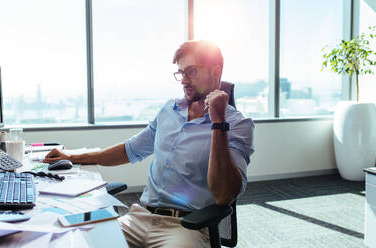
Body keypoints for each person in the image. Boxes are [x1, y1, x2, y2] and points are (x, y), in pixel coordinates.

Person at [44, 40, 255, 247]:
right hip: (139, 218)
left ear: (215, 71)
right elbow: (130, 150)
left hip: (186, 228)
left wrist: (218, 123)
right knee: (76, 240)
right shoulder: (169, 110)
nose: (183, 81)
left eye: (191, 72)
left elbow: (224, 194)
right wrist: (71, 157)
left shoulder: (237, 124)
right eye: (181, 73)